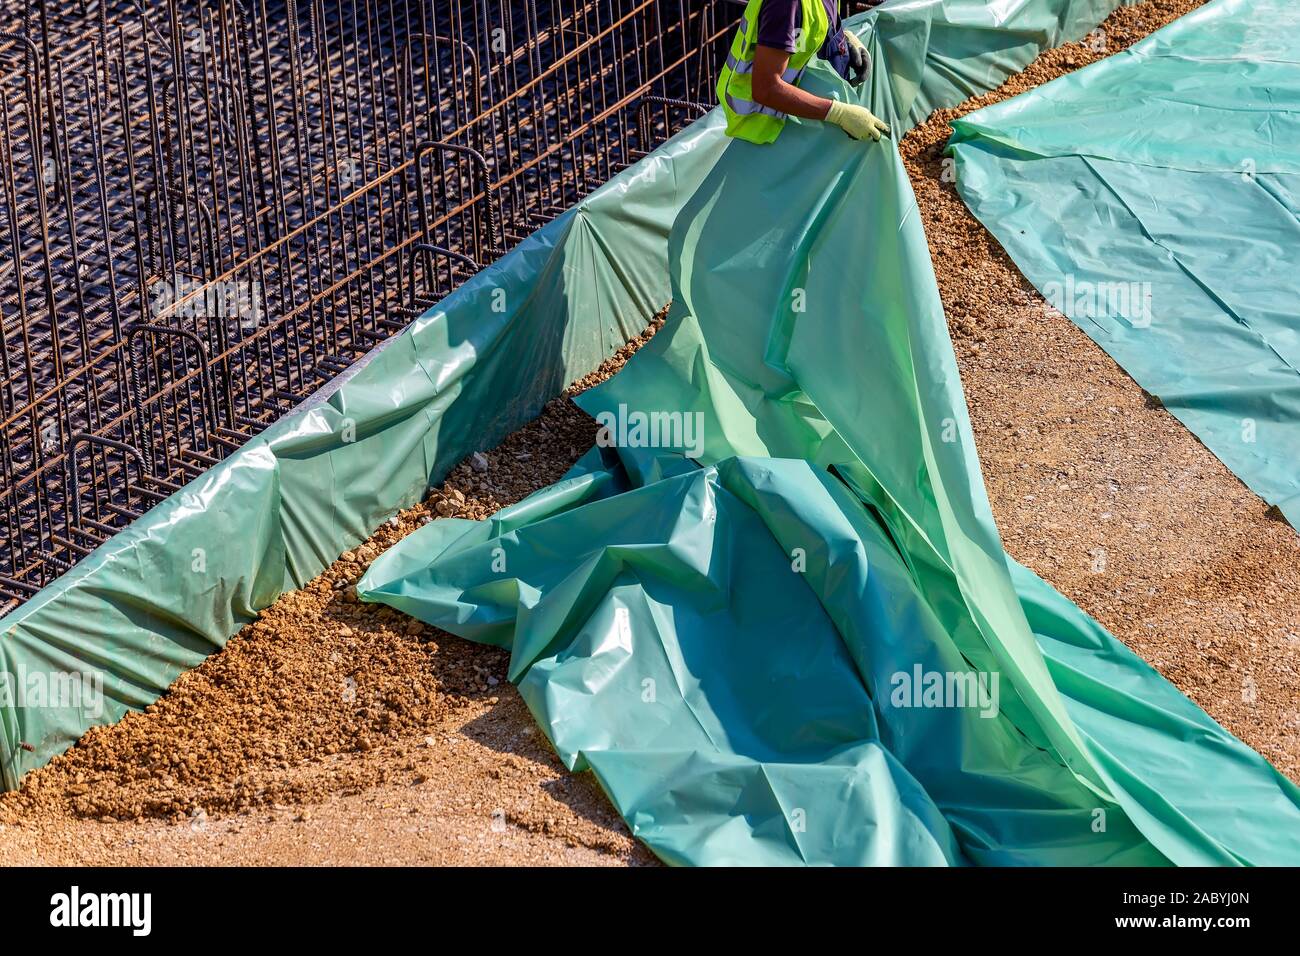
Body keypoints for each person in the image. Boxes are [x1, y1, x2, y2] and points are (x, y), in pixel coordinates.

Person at [717, 0, 891, 146]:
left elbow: (814, 28)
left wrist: (844, 41)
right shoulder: (785, 5)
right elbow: (766, 88)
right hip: (771, 133)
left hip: (811, 124)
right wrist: (839, 114)